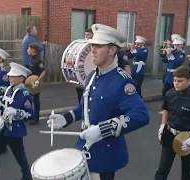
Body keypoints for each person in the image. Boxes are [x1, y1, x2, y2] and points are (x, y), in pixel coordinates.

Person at [46, 24, 150, 180]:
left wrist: (101, 130)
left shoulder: (122, 81)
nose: (92, 50)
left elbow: (141, 115)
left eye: (98, 46)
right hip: (85, 148)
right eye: (92, 45)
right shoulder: (91, 76)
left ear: (112, 50)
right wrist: (65, 118)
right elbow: (84, 107)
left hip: (105, 154)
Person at [155, 65, 190, 180]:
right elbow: (166, 110)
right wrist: (162, 126)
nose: (176, 83)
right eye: (174, 80)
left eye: (180, 81)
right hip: (170, 133)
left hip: (187, 136)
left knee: (187, 168)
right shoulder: (169, 94)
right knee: (163, 168)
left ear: (189, 81)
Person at [0, 62, 34, 180]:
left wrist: (16, 112)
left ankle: (28, 177)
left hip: (15, 131)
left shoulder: (24, 93)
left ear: (21, 78)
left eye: (12, 76)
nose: (9, 77)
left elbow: (31, 115)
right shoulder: (10, 89)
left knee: (21, 158)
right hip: (4, 129)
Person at [27, 43, 46, 125]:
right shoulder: (32, 58)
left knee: (36, 100)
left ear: (33, 50)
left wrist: (37, 81)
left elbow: (43, 72)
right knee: (30, 100)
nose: (27, 50)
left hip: (35, 84)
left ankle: (36, 118)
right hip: (31, 83)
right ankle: (30, 116)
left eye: (29, 49)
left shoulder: (38, 60)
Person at [75, 28, 94, 103]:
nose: (86, 36)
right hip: (82, 77)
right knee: (80, 95)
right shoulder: (83, 46)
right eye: (85, 35)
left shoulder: (97, 45)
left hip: (92, 76)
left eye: (88, 35)